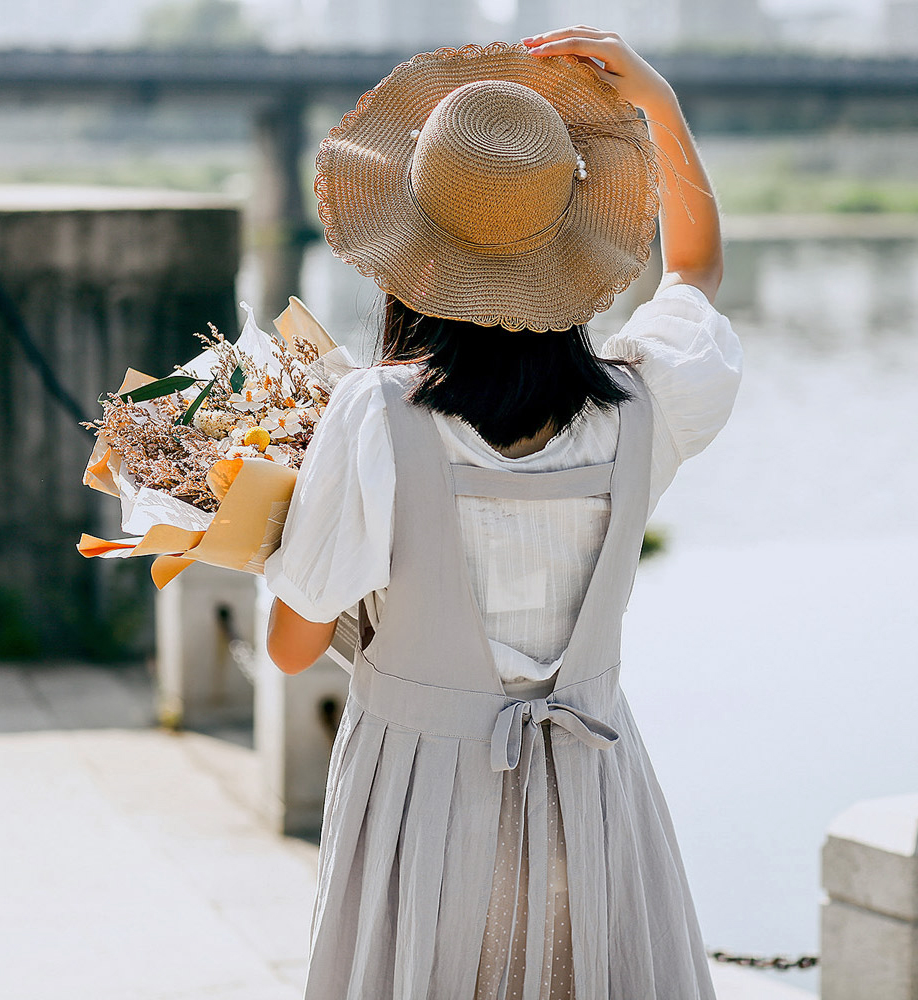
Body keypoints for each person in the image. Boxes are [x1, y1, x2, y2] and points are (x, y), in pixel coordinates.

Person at [265, 27, 741, 1000]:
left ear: (413, 259)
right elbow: (695, 276)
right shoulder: (649, 402)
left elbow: (288, 644)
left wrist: (272, 519)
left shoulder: (373, 414)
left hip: (416, 806)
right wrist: (657, 105)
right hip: (593, 792)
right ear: (574, 248)